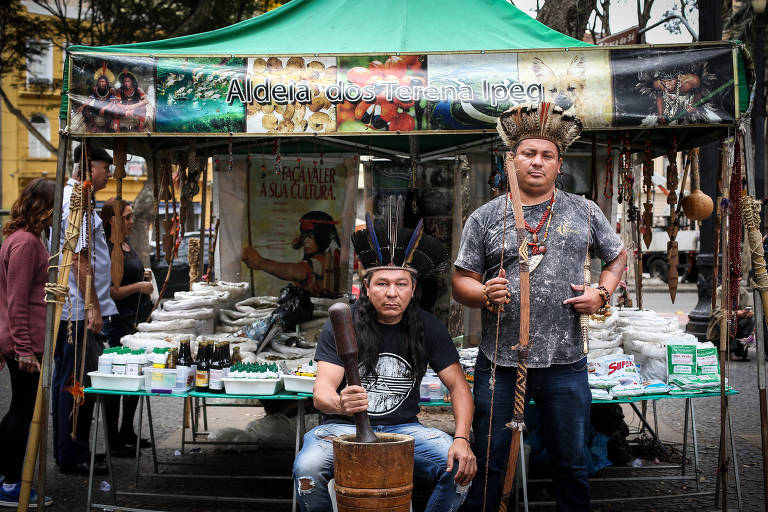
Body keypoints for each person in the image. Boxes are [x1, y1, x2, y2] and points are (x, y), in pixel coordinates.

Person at [452, 102, 626, 511]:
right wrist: (482, 294)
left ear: (559, 164)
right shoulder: (485, 217)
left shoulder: (584, 211)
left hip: (566, 363)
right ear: (511, 159)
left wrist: (601, 294)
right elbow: (461, 281)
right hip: (500, 363)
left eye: (547, 155)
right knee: (491, 462)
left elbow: (617, 256)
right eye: (529, 153)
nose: (537, 161)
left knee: (571, 462)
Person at [293, 217, 476, 511]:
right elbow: (322, 392)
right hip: (341, 429)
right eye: (382, 283)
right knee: (307, 471)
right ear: (366, 287)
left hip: (404, 430)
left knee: (460, 469)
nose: (392, 293)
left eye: (401, 284)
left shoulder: (429, 327)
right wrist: (341, 404)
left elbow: (459, 387)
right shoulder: (344, 323)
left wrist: (462, 438)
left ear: (413, 287)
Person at [53, 145, 118, 475]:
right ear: (88, 166)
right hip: (77, 311)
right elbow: (78, 259)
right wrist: (92, 307)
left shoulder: (82, 199)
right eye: (106, 167)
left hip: (82, 309)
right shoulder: (73, 200)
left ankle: (73, 448)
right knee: (74, 384)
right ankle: (71, 452)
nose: (111, 174)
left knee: (74, 381)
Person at [0, 178, 55, 507]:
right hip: (26, 342)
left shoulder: (21, 239)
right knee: (22, 411)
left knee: (18, 409)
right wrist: (22, 349)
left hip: (24, 339)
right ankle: (10, 484)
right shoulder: (26, 243)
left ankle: (6, 477)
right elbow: (15, 300)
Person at [100, 198, 154, 450]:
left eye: (132, 216)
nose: (132, 221)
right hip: (118, 322)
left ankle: (127, 431)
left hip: (136, 320)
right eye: (127, 217)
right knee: (117, 380)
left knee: (135, 376)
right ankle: (113, 440)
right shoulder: (110, 248)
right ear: (113, 220)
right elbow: (112, 291)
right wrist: (139, 286)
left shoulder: (125, 244)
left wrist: (142, 277)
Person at [242, 211, 341, 297]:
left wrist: (260, 263)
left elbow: (299, 272)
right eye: (303, 234)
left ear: (321, 236)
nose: (306, 240)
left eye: (311, 234)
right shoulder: (322, 253)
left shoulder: (322, 259)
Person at [708, 281, 754, 361]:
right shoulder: (719, 291)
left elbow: (749, 306)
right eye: (736, 280)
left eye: (739, 281)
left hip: (739, 318)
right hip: (722, 319)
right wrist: (735, 313)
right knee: (730, 322)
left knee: (750, 321)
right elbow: (716, 311)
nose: (738, 283)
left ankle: (742, 350)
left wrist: (748, 313)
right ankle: (732, 352)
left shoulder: (742, 291)